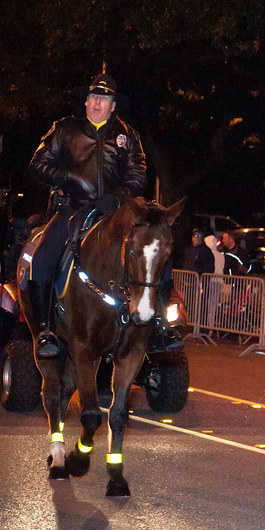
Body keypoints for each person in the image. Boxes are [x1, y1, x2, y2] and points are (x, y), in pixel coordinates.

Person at [28, 72, 148, 357]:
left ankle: (158, 328)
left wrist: (118, 196)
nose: (98, 102)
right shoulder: (65, 129)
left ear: (113, 105)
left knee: (154, 251)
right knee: (42, 257)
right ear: (86, 101)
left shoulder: (128, 135)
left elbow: (138, 174)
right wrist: (68, 177)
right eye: (94, 96)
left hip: (115, 213)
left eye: (104, 98)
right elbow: (37, 163)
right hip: (73, 208)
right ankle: (46, 331)